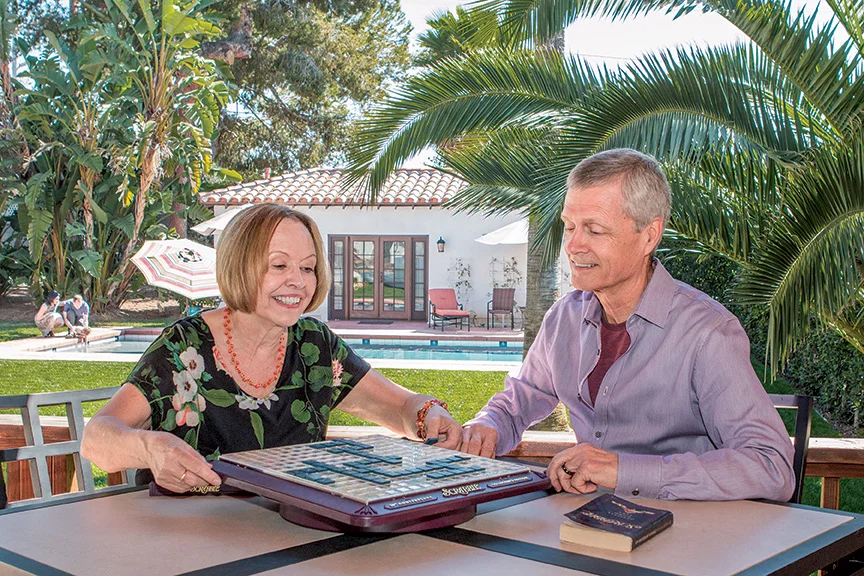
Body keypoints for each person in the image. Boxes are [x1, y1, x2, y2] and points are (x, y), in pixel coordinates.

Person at [459, 149, 796, 502]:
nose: (573, 245)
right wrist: (487, 427)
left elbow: (770, 466)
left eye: (595, 230)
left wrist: (622, 470)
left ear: (649, 236)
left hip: (688, 541)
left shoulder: (708, 333)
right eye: (570, 226)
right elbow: (519, 402)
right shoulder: (564, 318)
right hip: (588, 526)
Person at [81, 204, 461, 493]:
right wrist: (150, 448)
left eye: (308, 268)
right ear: (240, 265)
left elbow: (397, 406)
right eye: (279, 265)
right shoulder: (185, 348)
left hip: (293, 537)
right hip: (182, 541)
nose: (297, 281)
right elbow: (97, 436)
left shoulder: (314, 347)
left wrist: (429, 414)